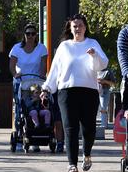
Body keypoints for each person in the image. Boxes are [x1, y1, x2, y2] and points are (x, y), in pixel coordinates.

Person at [41, 14, 108, 172]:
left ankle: (87, 155)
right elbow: (55, 70)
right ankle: (72, 164)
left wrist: (94, 55)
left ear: (85, 27)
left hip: (89, 91)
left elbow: (102, 65)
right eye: (75, 26)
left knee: (88, 128)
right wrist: (46, 88)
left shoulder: (93, 43)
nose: (78, 28)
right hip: (67, 91)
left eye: (80, 25)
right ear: (70, 29)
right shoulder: (64, 46)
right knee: (70, 128)